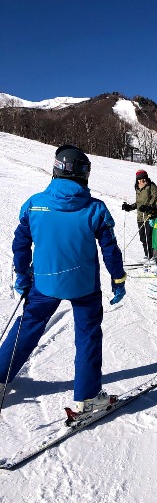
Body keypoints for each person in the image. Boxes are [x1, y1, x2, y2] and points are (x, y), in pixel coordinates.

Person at [0, 145, 126, 415]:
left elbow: (20, 245)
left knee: (28, 326)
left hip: (44, 284)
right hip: (84, 286)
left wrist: (22, 276)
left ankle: (0, 375)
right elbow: (110, 250)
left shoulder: (34, 204)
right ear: (84, 174)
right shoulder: (95, 209)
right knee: (88, 335)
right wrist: (118, 279)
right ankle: (88, 397)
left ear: (56, 169)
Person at [122, 169, 157, 263]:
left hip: (149, 215)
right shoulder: (137, 188)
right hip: (140, 216)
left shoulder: (151, 186)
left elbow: (155, 197)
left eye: (143, 178)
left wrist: (148, 207)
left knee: (150, 236)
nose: (141, 180)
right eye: (139, 179)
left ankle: (154, 257)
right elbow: (139, 203)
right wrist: (130, 207)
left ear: (146, 178)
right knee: (143, 237)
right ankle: (148, 255)